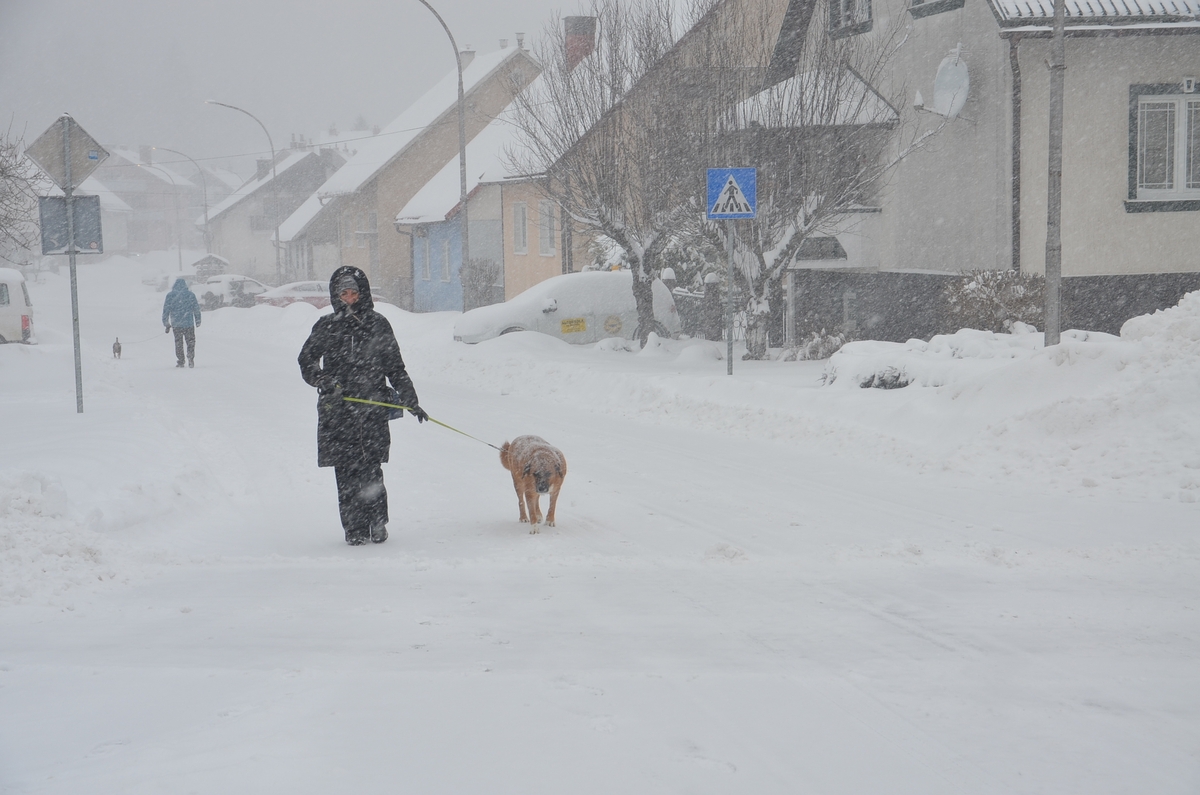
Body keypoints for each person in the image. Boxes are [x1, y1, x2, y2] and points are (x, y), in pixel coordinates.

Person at [298, 266, 428, 546]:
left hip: (372, 410)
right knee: (346, 472)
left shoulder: (378, 324)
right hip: (338, 412)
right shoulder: (326, 326)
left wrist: (411, 400)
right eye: (343, 293)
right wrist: (323, 380)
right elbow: (306, 360)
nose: (349, 298)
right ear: (336, 295)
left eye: (353, 293)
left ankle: (377, 523)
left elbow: (395, 368)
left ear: (363, 293)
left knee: (371, 469)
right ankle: (354, 529)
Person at [162, 277, 202, 368]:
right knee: (191, 341)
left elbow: (166, 310)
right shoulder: (190, 295)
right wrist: (198, 320)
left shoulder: (170, 295)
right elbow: (196, 308)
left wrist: (166, 323)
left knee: (178, 343)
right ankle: (190, 357)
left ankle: (181, 360)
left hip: (176, 324)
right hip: (189, 324)